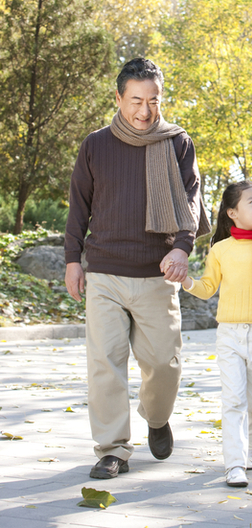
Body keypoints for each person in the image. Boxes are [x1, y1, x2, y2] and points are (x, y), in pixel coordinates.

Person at [64, 57, 210, 479]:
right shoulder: (95, 145)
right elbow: (79, 206)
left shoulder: (178, 142)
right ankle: (112, 449)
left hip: (157, 273)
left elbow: (191, 198)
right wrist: (74, 259)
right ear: (119, 99)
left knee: (165, 364)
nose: (145, 111)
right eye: (135, 101)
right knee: (105, 363)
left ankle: (157, 417)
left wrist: (182, 248)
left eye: (153, 101)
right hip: (105, 271)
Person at [168, 181, 252, 487]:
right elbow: (207, 287)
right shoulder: (220, 250)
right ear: (232, 212)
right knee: (233, 401)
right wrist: (186, 281)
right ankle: (234, 463)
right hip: (229, 334)